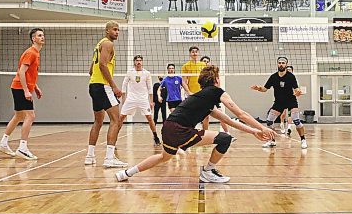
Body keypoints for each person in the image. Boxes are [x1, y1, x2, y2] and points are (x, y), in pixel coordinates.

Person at [115, 65, 275, 183]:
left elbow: (227, 120)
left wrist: (253, 131)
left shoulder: (202, 98)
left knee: (164, 157)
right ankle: (208, 171)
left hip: (168, 128)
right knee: (224, 139)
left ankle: (127, 173)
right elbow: (240, 114)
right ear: (217, 80)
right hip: (179, 130)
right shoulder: (216, 91)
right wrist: (262, 127)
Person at [0, 28, 45, 160]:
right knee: (30, 115)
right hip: (20, 88)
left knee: (18, 116)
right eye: (39, 35)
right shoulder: (31, 53)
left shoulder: (36, 53)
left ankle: (3, 142)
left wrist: (35, 87)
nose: (42, 37)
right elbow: (21, 72)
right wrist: (26, 90)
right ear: (33, 38)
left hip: (21, 87)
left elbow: (29, 74)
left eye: (43, 35)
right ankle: (22, 148)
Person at [85, 21, 127, 168]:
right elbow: (102, 65)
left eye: (118, 30)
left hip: (93, 85)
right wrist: (114, 86)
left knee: (98, 121)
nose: (117, 32)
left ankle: (90, 156)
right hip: (103, 86)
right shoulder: (108, 44)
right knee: (116, 120)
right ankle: (109, 158)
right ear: (107, 30)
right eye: (114, 30)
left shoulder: (99, 45)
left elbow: (91, 70)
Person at [251, 57, 307, 149]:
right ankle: (272, 141)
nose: (281, 64)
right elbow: (265, 89)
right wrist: (258, 88)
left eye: (283, 63)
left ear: (286, 64)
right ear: (277, 64)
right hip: (279, 102)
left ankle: (303, 140)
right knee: (269, 121)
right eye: (279, 63)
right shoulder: (273, 77)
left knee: (296, 120)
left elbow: (296, 89)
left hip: (291, 101)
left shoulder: (291, 76)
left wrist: (298, 92)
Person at [120, 55, 160, 146]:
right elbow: (124, 85)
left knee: (149, 118)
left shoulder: (146, 73)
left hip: (143, 99)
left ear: (142, 62)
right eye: (137, 60)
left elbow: (150, 88)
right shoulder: (130, 72)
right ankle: (114, 138)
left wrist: (151, 101)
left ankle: (155, 137)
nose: (138, 62)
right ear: (134, 62)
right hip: (131, 99)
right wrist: (124, 98)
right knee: (121, 118)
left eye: (140, 60)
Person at [181, 46, 208, 128]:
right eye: (193, 52)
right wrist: (188, 92)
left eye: (196, 51)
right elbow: (183, 81)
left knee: (206, 116)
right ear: (190, 53)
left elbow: (207, 79)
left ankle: (205, 133)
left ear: (198, 53)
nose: (194, 53)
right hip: (192, 94)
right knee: (191, 115)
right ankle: (191, 133)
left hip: (203, 93)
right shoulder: (186, 66)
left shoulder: (203, 65)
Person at [279, 65, 295, 135]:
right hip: (282, 98)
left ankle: (289, 127)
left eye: (290, 70)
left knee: (290, 113)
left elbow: (295, 88)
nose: (289, 71)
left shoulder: (293, 78)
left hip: (290, 98)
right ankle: (282, 124)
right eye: (287, 70)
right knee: (283, 114)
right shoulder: (281, 78)